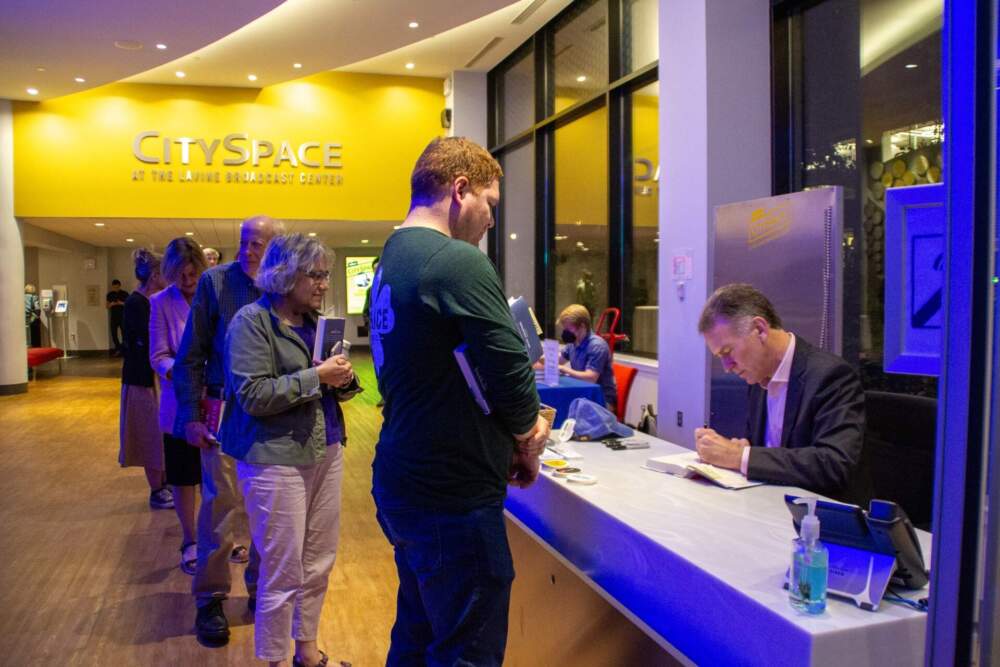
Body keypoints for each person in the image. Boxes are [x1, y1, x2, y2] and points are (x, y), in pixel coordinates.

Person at [370, 137, 550, 666]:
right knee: (466, 650)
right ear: (460, 189)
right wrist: (528, 436)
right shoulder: (455, 261)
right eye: (490, 205)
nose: (492, 220)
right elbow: (510, 368)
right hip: (452, 494)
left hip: (407, 479)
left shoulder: (391, 260)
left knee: (418, 634)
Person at [224, 234, 358, 667]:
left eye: (325, 274)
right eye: (314, 274)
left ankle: (306, 651)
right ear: (285, 274)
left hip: (327, 449)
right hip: (274, 459)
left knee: (318, 563)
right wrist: (317, 377)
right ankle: (277, 659)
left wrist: (343, 378)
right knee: (282, 572)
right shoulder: (251, 321)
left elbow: (332, 388)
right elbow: (253, 395)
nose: (323, 283)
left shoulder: (317, 323)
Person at [173, 214, 284, 643]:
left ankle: (259, 589)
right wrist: (191, 416)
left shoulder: (282, 285)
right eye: (244, 241)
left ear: (275, 248)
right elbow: (190, 355)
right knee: (220, 508)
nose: (247, 250)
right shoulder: (215, 282)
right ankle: (210, 598)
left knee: (267, 512)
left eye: (257, 244)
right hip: (223, 409)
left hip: (272, 412)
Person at [694, 283, 865, 499]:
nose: (727, 367)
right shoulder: (757, 377)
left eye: (728, 352)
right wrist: (742, 450)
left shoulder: (830, 376)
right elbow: (768, 451)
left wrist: (741, 456)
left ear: (760, 330)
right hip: (768, 506)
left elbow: (833, 464)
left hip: (817, 517)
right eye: (720, 357)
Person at [150, 237, 208, 575]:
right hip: (179, 403)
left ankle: (216, 538)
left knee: (216, 476)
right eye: (181, 276)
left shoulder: (211, 297)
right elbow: (158, 356)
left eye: (193, 274)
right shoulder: (161, 302)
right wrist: (182, 373)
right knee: (184, 477)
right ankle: (190, 540)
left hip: (214, 401)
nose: (188, 282)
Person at [118, 249, 171, 509]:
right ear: (154, 275)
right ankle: (157, 489)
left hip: (158, 378)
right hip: (143, 380)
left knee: (163, 433)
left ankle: (167, 482)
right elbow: (144, 344)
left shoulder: (157, 300)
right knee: (149, 435)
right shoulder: (136, 303)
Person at [555, 304, 618, 411]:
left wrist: (563, 369)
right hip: (583, 394)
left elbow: (590, 378)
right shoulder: (573, 343)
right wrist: (543, 357)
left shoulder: (597, 346)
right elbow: (559, 359)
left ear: (582, 326)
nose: (565, 332)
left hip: (601, 400)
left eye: (568, 328)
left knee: (560, 407)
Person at [107, 279, 130, 356]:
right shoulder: (110, 294)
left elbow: (129, 304)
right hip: (113, 317)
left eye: (117, 287)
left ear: (120, 286)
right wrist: (112, 304)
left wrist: (121, 303)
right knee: (113, 334)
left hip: (123, 316)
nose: (116, 288)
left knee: (124, 334)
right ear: (112, 287)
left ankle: (124, 350)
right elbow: (107, 306)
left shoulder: (125, 293)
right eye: (114, 287)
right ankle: (118, 348)